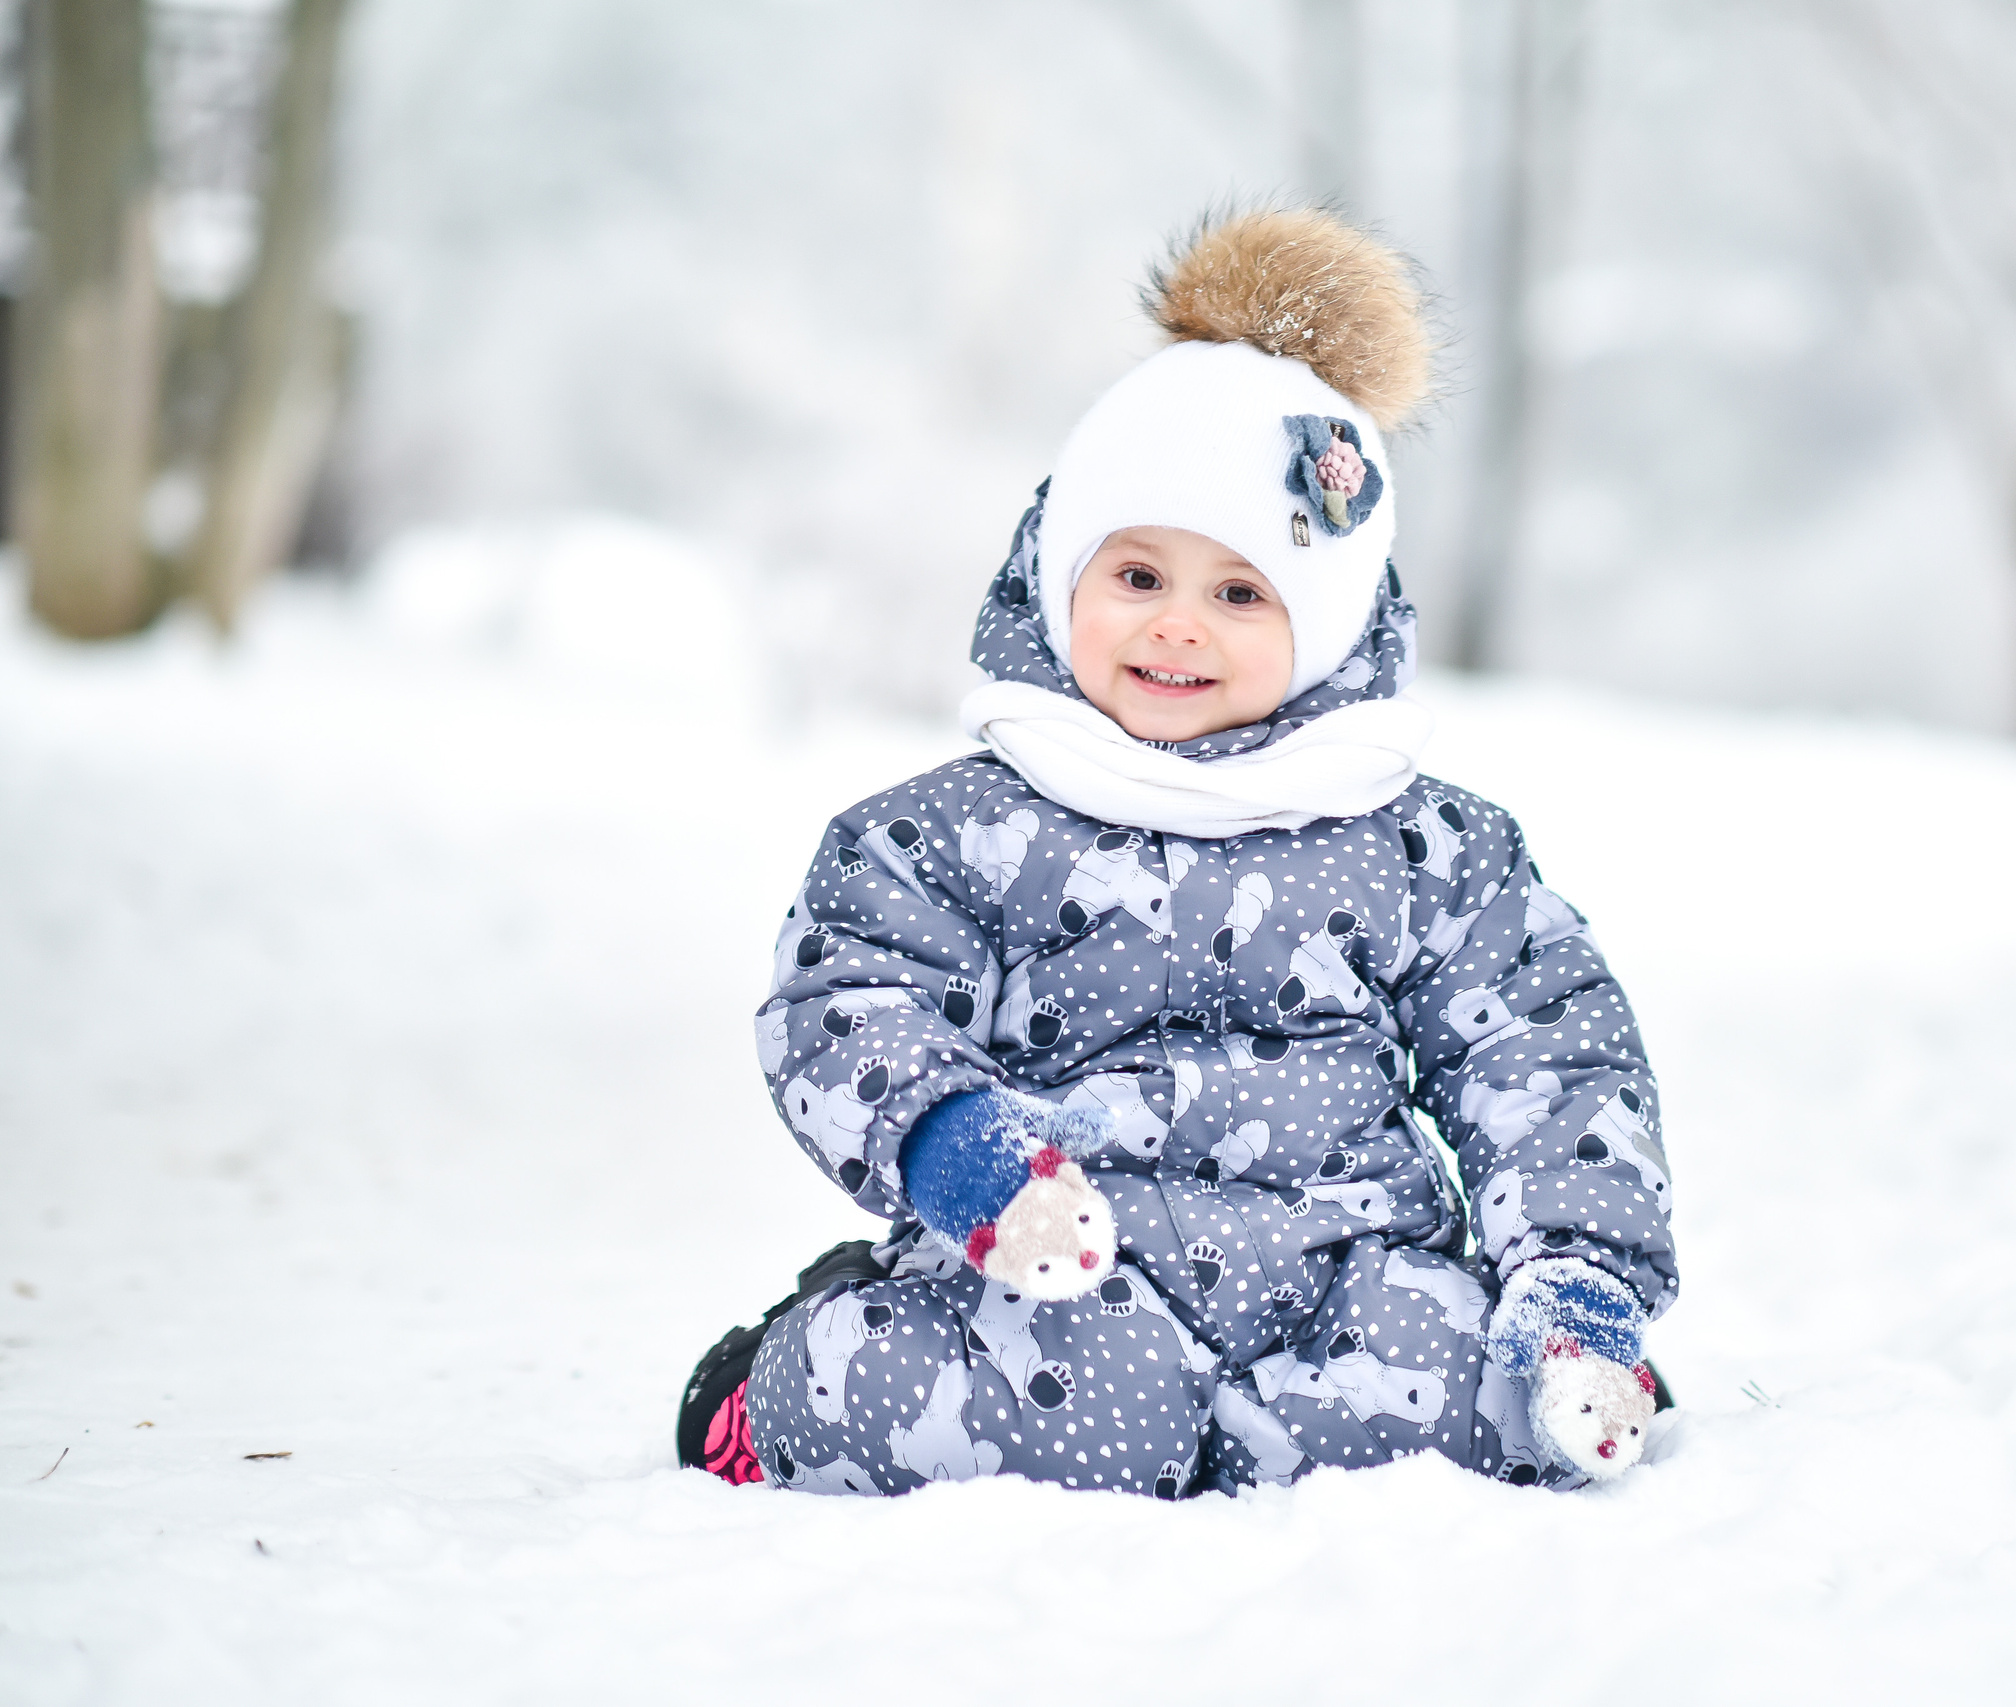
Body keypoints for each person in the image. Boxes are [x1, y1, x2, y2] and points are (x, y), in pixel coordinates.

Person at [675, 208, 1677, 1499]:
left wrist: (1573, 1274)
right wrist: (960, 1148)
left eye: (1242, 592)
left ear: (1323, 623)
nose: (1179, 630)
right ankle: (788, 1386)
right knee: (1083, 1413)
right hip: (1063, 1264)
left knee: (1461, 1406)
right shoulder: (977, 824)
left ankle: (1537, 1362)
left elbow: (1545, 1047)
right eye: (1138, 575)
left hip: (1345, 1267)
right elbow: (842, 993)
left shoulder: (1419, 844)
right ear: (1062, 573)